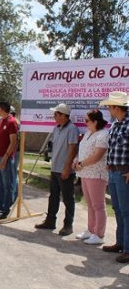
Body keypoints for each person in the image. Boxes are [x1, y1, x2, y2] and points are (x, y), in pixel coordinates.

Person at [35, 103, 79, 236]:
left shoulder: (72, 129)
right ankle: (50, 221)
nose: (54, 116)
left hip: (65, 170)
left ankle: (68, 225)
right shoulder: (56, 128)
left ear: (64, 116)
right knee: (53, 197)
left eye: (56, 114)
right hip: (55, 168)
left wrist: (67, 168)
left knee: (67, 198)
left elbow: (72, 150)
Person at [99, 91, 129, 263]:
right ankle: (120, 243)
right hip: (114, 172)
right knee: (118, 209)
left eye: (110, 106)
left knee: (126, 211)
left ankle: (127, 248)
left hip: (125, 173)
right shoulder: (115, 125)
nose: (109, 109)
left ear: (116, 107)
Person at [72, 109, 108, 245]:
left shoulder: (103, 135)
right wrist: (76, 160)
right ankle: (90, 230)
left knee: (98, 205)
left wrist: (81, 163)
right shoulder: (88, 133)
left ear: (95, 121)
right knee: (90, 204)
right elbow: (82, 151)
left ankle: (99, 234)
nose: (85, 123)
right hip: (85, 173)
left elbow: (97, 156)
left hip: (96, 174)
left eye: (87, 120)